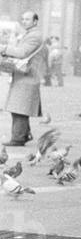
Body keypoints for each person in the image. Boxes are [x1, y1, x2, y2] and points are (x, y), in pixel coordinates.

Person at [0, 10, 46, 146]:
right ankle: (24, 134)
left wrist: (3, 48)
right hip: (24, 75)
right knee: (19, 106)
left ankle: (18, 138)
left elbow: (22, 53)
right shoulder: (30, 34)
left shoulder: (34, 36)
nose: (24, 21)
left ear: (35, 21)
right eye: (23, 19)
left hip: (28, 76)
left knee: (19, 107)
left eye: (27, 19)